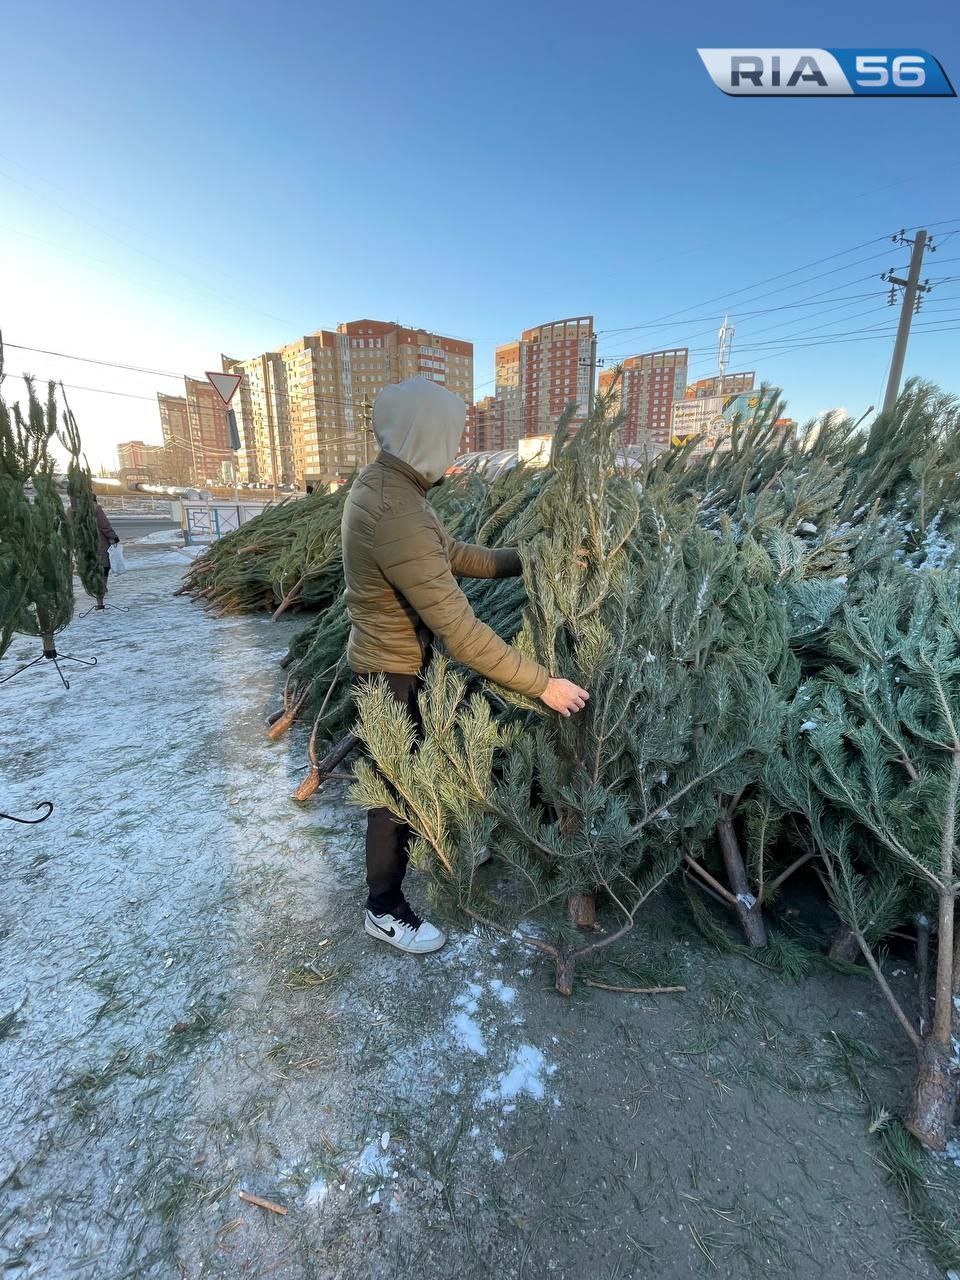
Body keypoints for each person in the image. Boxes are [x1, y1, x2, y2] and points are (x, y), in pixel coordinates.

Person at [342, 377, 589, 956]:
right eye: (449, 439)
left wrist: (532, 561)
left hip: (399, 659)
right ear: (424, 436)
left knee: (401, 779)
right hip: (390, 672)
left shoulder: (395, 489)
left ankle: (399, 880)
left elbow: (456, 555)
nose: (453, 452)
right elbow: (459, 631)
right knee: (391, 788)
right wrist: (544, 684)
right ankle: (384, 909)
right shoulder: (393, 508)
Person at [93, 496, 120, 610]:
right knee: (103, 568)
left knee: (90, 569)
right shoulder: (95, 508)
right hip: (99, 544)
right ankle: (100, 598)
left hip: (83, 547)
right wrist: (114, 538)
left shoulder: (71, 509)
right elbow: (105, 526)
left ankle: (95, 589)